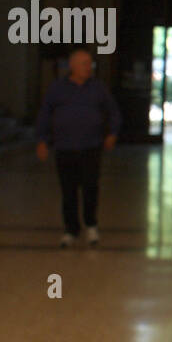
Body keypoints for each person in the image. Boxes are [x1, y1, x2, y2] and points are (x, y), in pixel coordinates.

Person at [35, 48, 121, 247]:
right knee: (68, 190)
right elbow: (45, 114)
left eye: (89, 63)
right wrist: (42, 140)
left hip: (91, 146)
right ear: (72, 66)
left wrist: (112, 133)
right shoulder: (57, 88)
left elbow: (113, 111)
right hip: (65, 147)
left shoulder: (98, 88)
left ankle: (91, 225)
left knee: (90, 188)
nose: (88, 67)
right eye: (84, 63)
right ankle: (71, 229)